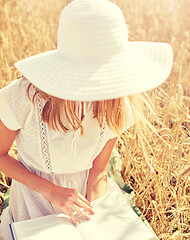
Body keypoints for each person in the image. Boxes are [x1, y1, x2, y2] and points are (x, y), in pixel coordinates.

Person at [0, 0, 173, 239]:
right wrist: (51, 191)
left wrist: (96, 219)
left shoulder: (116, 102)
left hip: (89, 197)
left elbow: (99, 169)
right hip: (35, 198)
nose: (97, 85)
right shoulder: (23, 96)